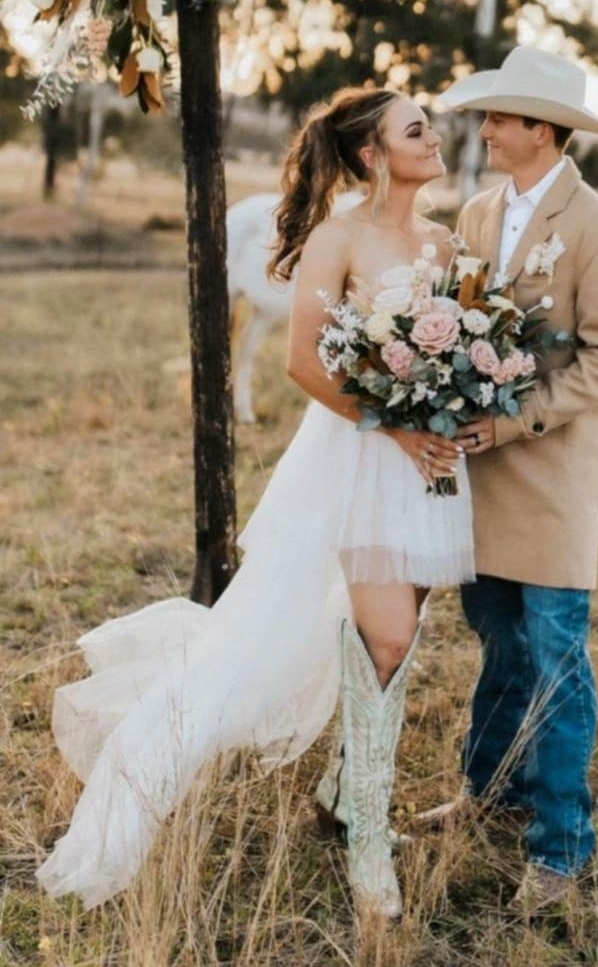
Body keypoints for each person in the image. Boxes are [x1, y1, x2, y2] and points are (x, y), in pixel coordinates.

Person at [37, 88, 471, 920]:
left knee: (393, 637)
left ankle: (346, 795)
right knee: (362, 635)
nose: (435, 138)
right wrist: (397, 426)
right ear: (373, 155)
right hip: (358, 452)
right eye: (417, 129)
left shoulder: (445, 243)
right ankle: (367, 840)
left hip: (425, 461)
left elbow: (455, 348)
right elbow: (304, 362)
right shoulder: (339, 237)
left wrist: (462, 396)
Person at [427, 47, 598, 909]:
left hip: (549, 477)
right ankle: (488, 792)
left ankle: (559, 851)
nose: (485, 130)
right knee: (500, 645)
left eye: (500, 117)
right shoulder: (477, 214)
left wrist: (514, 421)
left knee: (557, 660)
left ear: (543, 131)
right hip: (479, 479)